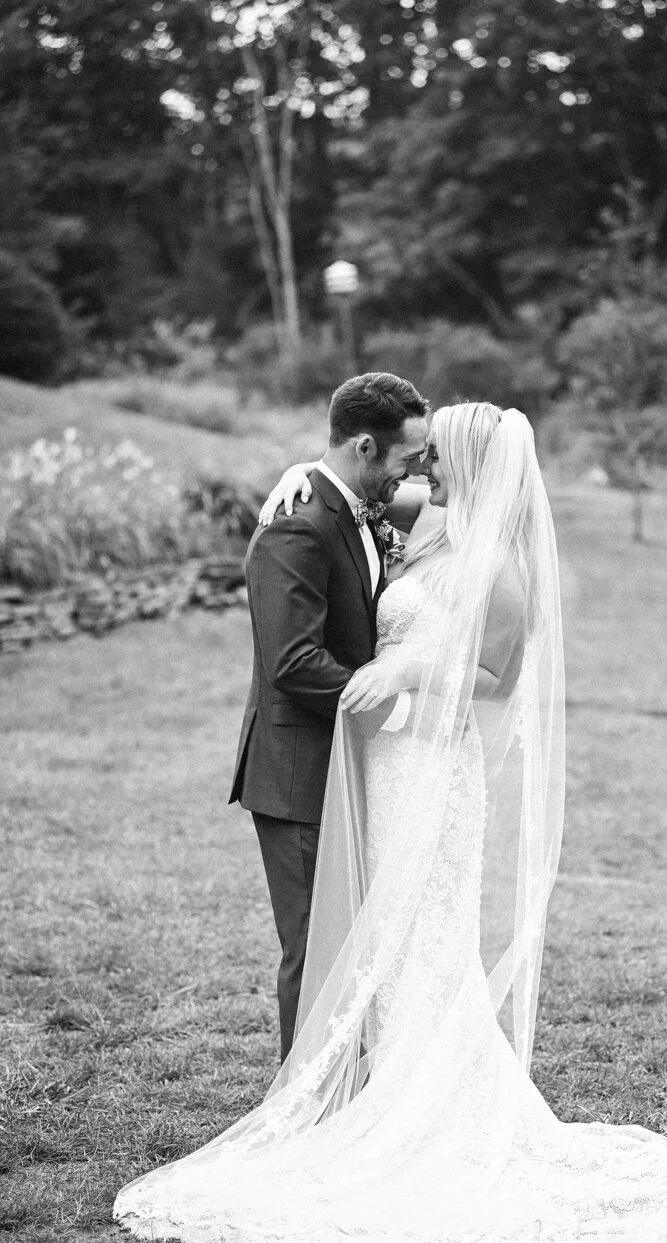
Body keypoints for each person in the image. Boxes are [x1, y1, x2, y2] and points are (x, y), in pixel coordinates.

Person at [114, 403, 667, 1243]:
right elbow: (344, 494)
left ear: (465, 461)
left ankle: (411, 1112)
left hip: (432, 770)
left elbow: (496, 677)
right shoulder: (428, 521)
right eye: (416, 455)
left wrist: (408, 669)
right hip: (382, 767)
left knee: (424, 942)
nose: (421, 468)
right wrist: (299, 474)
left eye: (434, 455)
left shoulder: (498, 561)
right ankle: (351, 1098)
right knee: (371, 945)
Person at [229, 372, 428, 1063]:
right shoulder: (299, 523)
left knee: (347, 941)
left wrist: (304, 469)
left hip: (342, 762)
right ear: (366, 446)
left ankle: (344, 1090)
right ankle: (307, 1103)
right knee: (315, 946)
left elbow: (472, 499)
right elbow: (293, 663)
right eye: (407, 459)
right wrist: (398, 702)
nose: (415, 473)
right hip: (298, 772)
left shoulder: (355, 505)